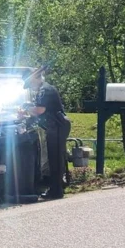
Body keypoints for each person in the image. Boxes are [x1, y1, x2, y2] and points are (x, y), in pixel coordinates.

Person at [23, 69, 71, 200]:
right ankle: (57, 187)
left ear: (35, 78)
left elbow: (39, 110)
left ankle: (56, 191)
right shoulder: (43, 89)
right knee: (54, 158)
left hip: (57, 125)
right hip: (54, 126)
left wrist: (26, 108)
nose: (31, 87)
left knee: (55, 159)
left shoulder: (45, 90)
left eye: (30, 83)